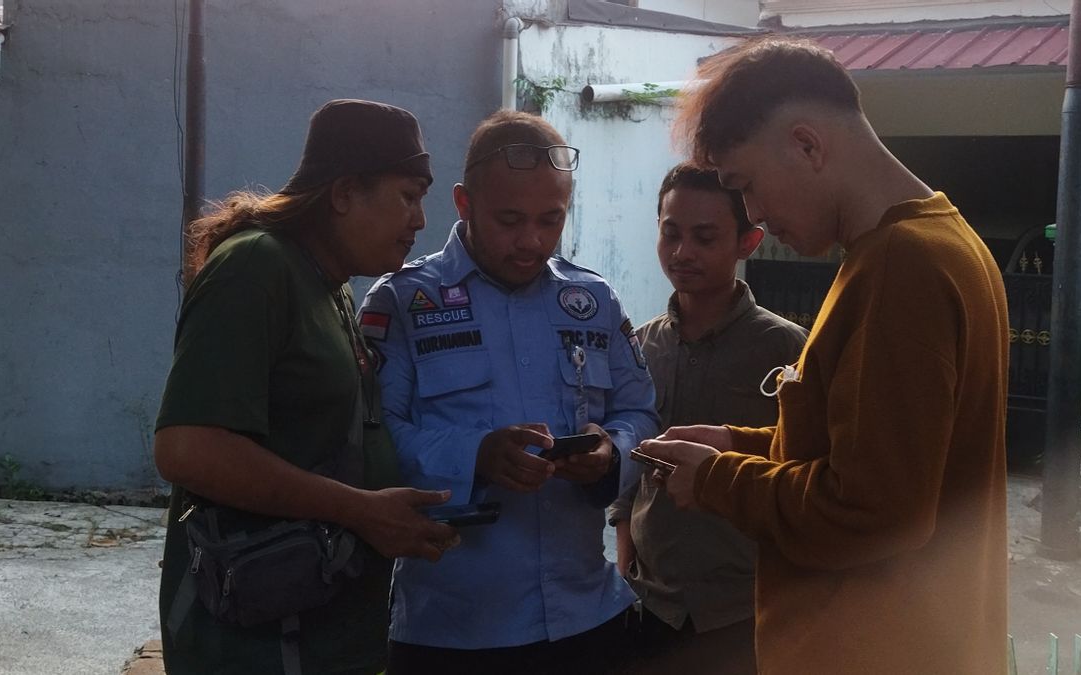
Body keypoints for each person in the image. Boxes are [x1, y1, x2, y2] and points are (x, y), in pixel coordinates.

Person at [639, 38, 1010, 674]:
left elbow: (869, 512)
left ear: (807, 145)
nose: (752, 213)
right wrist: (741, 442)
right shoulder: (943, 239)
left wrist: (715, 479)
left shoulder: (901, 265)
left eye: (746, 186)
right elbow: (877, 453)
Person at [153, 99, 459, 675]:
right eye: (408, 196)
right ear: (343, 193)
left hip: (322, 633)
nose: (420, 220)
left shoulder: (331, 284)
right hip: (253, 645)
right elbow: (187, 447)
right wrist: (362, 511)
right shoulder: (254, 267)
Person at [359, 109, 658, 675]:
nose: (531, 241)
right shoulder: (401, 303)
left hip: (585, 618)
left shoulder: (593, 302)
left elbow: (639, 412)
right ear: (464, 203)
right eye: (510, 220)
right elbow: (372, 437)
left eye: (551, 219)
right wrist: (475, 458)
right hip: (452, 630)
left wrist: (609, 454)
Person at [609, 163, 806, 674]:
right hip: (650, 603)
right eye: (671, 234)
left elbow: (807, 463)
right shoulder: (641, 346)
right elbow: (633, 459)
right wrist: (626, 546)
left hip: (745, 609)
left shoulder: (787, 348)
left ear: (749, 241)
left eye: (704, 237)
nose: (682, 253)